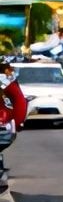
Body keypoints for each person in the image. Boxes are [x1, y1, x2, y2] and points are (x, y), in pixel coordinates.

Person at [0, 61, 27, 194]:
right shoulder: (5, 82)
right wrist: (19, 122)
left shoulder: (5, 81)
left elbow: (19, 100)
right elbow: (19, 100)